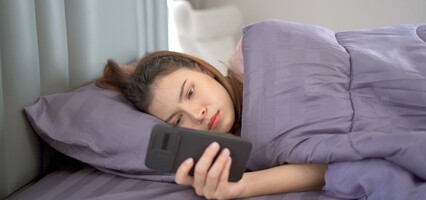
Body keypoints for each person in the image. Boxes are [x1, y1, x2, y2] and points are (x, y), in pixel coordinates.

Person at [96, 50, 327, 199]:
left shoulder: (251, 61)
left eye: (190, 92)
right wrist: (240, 185)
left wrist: (248, 184)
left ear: (204, 70)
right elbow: (327, 165)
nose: (197, 115)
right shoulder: (236, 150)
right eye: (178, 120)